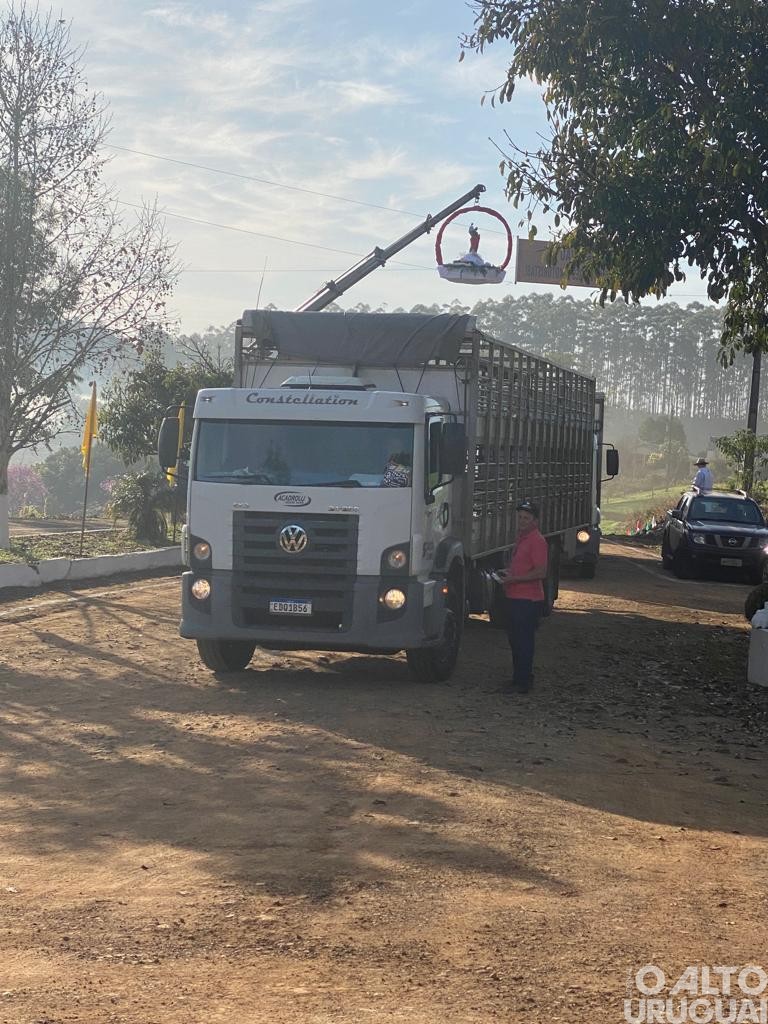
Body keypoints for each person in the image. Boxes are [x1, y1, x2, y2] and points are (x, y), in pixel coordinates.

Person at [496, 500, 549, 694]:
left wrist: (515, 578)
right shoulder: (522, 539)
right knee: (515, 641)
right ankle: (519, 678)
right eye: (520, 517)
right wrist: (508, 573)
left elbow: (541, 572)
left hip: (528, 600)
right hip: (516, 597)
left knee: (523, 641)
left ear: (535, 520)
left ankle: (523, 681)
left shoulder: (537, 541)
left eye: (526, 518)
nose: (522, 521)